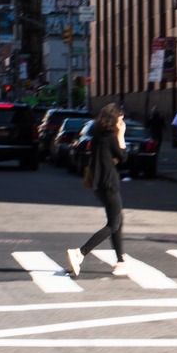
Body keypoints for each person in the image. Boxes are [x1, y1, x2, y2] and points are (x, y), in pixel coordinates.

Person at [67, 104, 131, 278]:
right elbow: (123, 157)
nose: (122, 122)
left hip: (100, 184)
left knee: (117, 221)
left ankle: (120, 261)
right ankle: (80, 253)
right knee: (113, 224)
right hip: (109, 184)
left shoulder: (97, 135)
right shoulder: (111, 136)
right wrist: (121, 134)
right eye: (121, 119)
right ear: (114, 119)